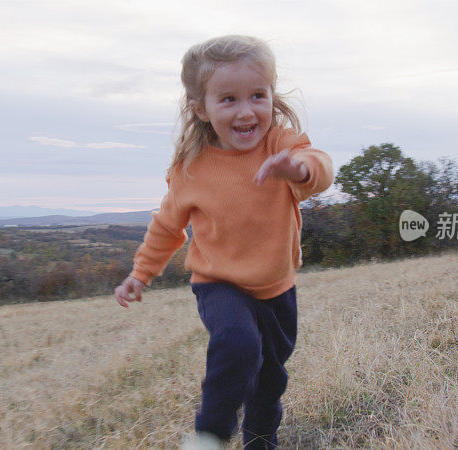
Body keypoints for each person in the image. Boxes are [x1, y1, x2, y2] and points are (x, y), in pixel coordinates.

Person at [113, 35, 334, 450]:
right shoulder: (191, 168)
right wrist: (140, 273)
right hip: (218, 283)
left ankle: (260, 442)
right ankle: (208, 436)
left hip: (277, 289)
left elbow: (321, 167)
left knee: (269, 381)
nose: (247, 111)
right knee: (238, 344)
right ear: (201, 108)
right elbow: (166, 227)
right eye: (228, 99)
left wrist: (297, 169)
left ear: (272, 95)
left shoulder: (281, 146)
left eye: (257, 95)